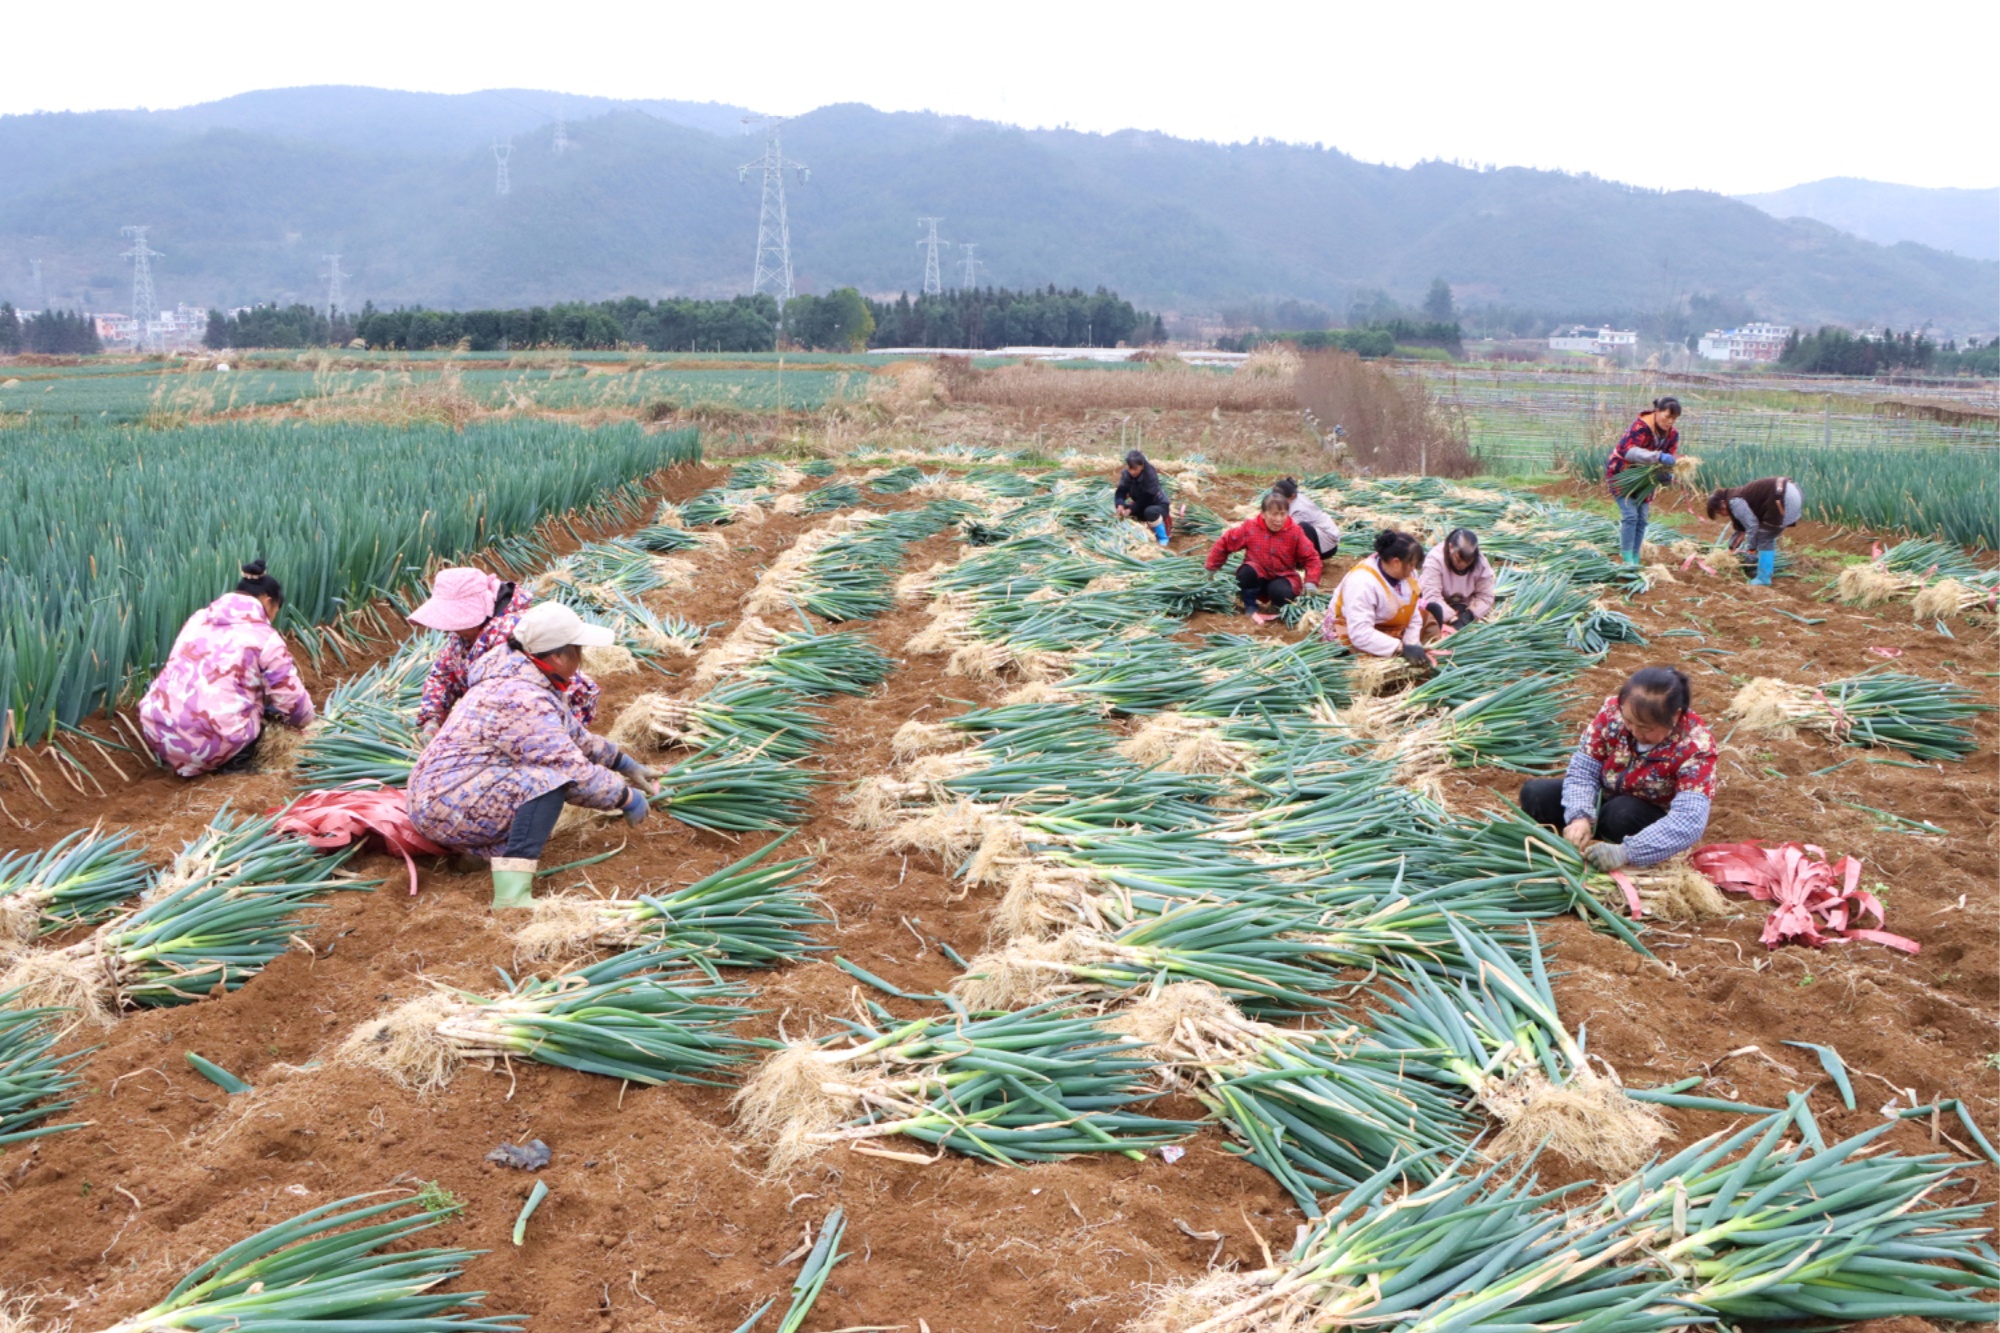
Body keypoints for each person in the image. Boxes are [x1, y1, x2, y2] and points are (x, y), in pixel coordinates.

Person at [407, 603, 659, 909]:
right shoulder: (521, 698)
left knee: (534, 776)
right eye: (577, 650)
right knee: (546, 783)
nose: (582, 658)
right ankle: (511, 898)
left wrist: (623, 763)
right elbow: (572, 770)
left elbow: (574, 737)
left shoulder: (527, 678)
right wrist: (625, 798)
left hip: (452, 794)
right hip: (445, 806)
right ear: (557, 656)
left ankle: (475, 854)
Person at [1517, 665, 1716, 870]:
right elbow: (1584, 769)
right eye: (1629, 721)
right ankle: (1564, 850)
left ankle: (1621, 857)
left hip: (1643, 820)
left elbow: (1689, 821)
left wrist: (1628, 852)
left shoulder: (1696, 747)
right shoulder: (1612, 713)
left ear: (1675, 716)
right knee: (1536, 794)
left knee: (1620, 814)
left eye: (1646, 727)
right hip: (1605, 798)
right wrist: (1580, 816)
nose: (1635, 731)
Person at [138, 560, 316, 777]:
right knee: (265, 707)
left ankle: (182, 757)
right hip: (215, 741)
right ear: (268, 602)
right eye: (276, 609)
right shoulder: (265, 637)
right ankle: (232, 767)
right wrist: (308, 725)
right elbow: (291, 700)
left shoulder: (198, 618)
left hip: (158, 732)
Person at [410, 567, 600, 742]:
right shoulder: (466, 634)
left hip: (543, 720)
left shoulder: (515, 632)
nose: (449, 627)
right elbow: (443, 674)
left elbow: (517, 705)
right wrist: (432, 718)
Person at [1205, 490, 1324, 623]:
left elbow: (1312, 557)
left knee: (1282, 593)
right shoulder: (1250, 527)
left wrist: (1311, 581)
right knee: (1247, 572)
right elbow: (1226, 542)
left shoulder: (1295, 531)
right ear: (1263, 514)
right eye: (1274, 514)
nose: (1278, 520)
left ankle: (1278, 609)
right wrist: (1211, 568)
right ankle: (1250, 606)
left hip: (1283, 575)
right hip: (1257, 573)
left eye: (1282, 514)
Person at [1321, 530, 1429, 666]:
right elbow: (1360, 633)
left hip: (1387, 628)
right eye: (1411, 565)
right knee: (1351, 663)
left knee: (1432, 613)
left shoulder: (1408, 575)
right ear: (1396, 562)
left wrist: (1412, 643)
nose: (1414, 570)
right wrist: (1400, 648)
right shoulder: (1363, 582)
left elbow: (1413, 613)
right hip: (1350, 634)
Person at [1605, 396, 1682, 566]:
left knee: (1642, 517)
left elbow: (1670, 458)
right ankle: (1626, 560)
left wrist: (1666, 475)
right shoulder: (1640, 427)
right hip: (1622, 473)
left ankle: (1635, 556)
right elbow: (1629, 451)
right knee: (1631, 516)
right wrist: (1658, 457)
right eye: (1667, 416)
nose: (1670, 422)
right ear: (1657, 411)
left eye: (1674, 419)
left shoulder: (1673, 435)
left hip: (1646, 480)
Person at [1706, 477, 1802, 587]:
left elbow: (1752, 526)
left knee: (1764, 537)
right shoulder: (1734, 496)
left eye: (1719, 511)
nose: (1722, 515)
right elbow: (1741, 531)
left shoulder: (1734, 502)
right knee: (1767, 534)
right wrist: (1729, 551)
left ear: (1723, 502)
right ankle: (1764, 569)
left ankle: (1763, 578)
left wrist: (1751, 551)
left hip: (1783, 498)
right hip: (1791, 491)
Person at [1418, 528, 1496, 631]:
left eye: (1468, 562)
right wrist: (1452, 618)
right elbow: (1432, 596)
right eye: (1459, 560)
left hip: (1464, 604)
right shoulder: (1435, 559)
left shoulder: (1481, 564)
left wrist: (1470, 614)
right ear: (1451, 547)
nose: (1462, 566)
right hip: (1438, 605)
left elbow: (1485, 596)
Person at [1113, 449, 1171, 546]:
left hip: (1158, 505)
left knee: (1150, 511)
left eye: (1135, 469)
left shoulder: (1150, 475)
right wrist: (1120, 504)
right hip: (1141, 506)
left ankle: (1163, 538)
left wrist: (1131, 509)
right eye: (1130, 468)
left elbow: (1147, 498)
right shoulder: (1126, 474)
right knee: (1122, 512)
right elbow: (1121, 491)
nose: (1132, 472)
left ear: (1142, 466)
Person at [1272, 476, 1340, 559]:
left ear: (1292, 496)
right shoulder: (1293, 499)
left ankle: (1307, 560)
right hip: (1319, 536)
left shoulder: (1299, 509)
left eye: (1282, 498)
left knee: (1302, 528)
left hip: (1326, 546)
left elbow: (1287, 532)